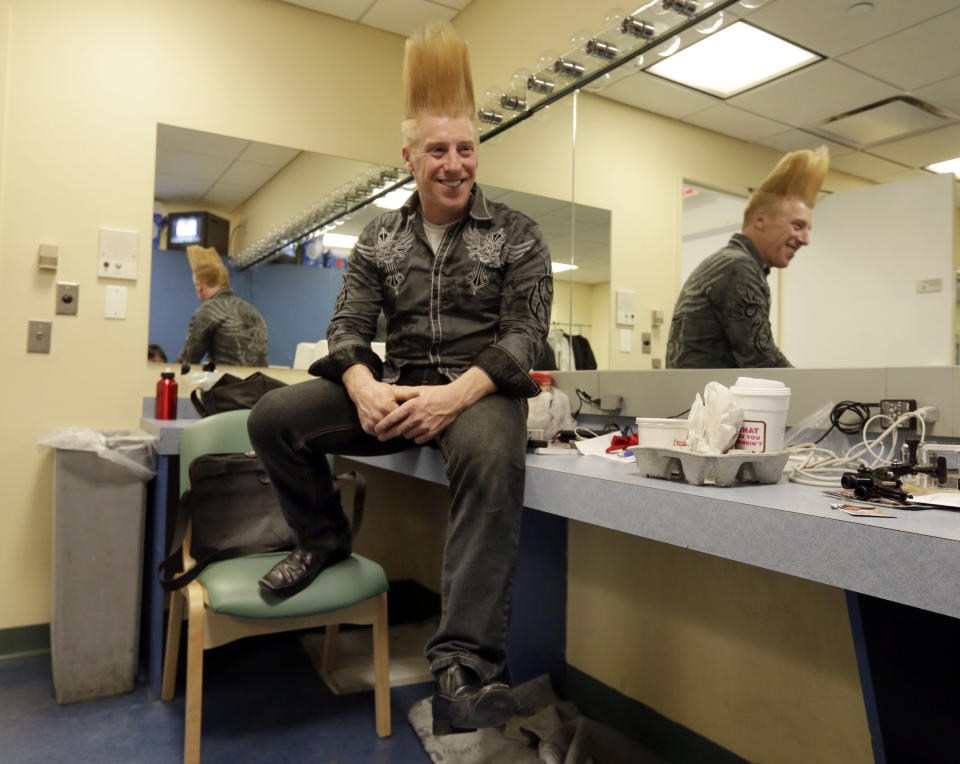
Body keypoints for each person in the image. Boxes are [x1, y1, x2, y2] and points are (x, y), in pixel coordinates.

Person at [246, 23, 552, 735]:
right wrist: (363, 386)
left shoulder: (518, 233)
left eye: (466, 148)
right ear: (408, 157)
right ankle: (322, 541)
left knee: (488, 459)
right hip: (398, 389)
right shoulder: (380, 237)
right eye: (438, 150)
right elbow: (348, 326)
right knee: (272, 418)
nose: (454, 164)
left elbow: (524, 335)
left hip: (479, 393)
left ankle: (463, 670)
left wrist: (457, 396)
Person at [666, 147, 829, 368]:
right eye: (797, 226)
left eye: (807, 229)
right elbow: (762, 361)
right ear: (760, 220)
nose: (805, 239)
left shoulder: (726, 261)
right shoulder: (740, 269)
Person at [176, 245, 269, 367]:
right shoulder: (253, 312)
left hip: (228, 384)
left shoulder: (208, 311)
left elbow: (187, 361)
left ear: (199, 285)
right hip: (260, 384)